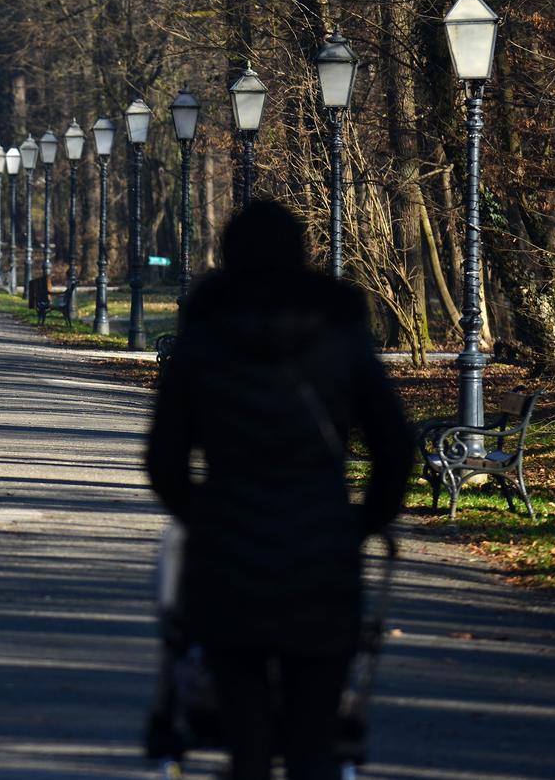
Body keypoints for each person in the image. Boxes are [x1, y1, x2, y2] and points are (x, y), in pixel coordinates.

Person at [143, 201, 414, 780]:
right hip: (320, 545)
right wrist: (359, 522)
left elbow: (164, 460)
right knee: (314, 728)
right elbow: (394, 445)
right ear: (301, 252)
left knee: (243, 725)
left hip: (228, 550)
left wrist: (204, 515)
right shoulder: (340, 333)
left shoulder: (204, 335)